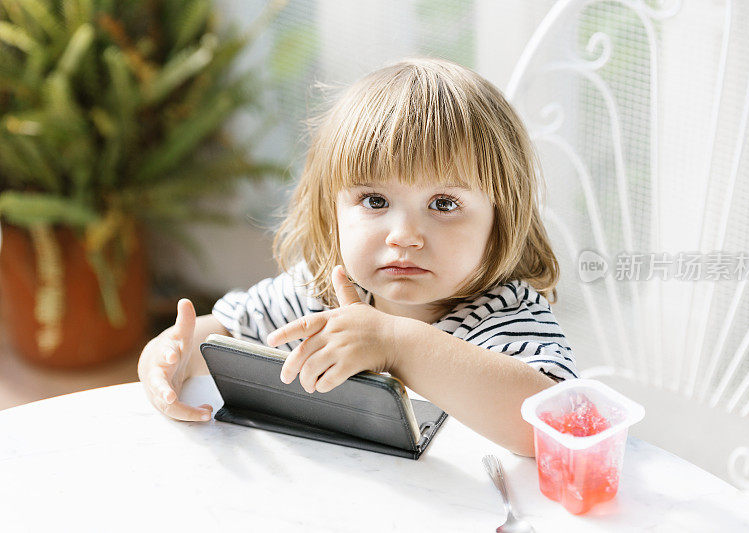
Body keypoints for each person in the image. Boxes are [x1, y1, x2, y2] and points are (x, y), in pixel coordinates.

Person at [137, 57, 579, 457]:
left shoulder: (502, 313)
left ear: (501, 219)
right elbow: (225, 336)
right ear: (334, 209)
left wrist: (395, 342)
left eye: (444, 203)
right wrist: (168, 355)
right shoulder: (321, 293)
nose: (404, 236)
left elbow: (553, 427)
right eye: (374, 201)